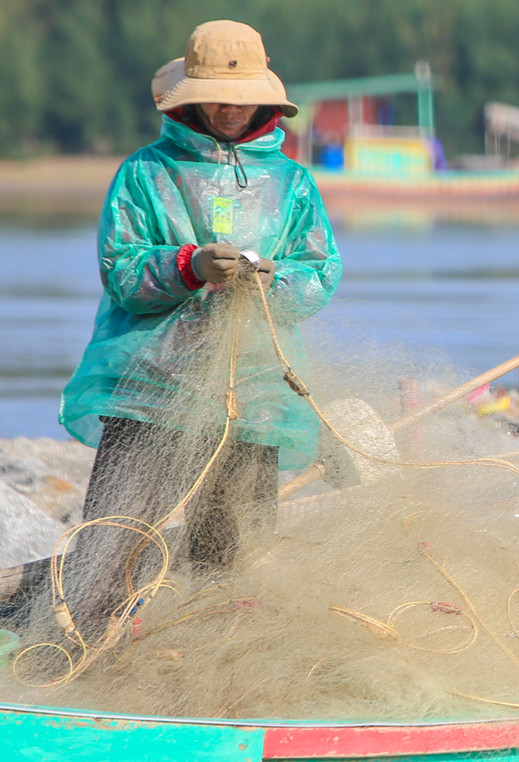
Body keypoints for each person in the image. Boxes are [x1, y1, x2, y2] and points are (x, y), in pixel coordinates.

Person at [58, 20, 341, 637]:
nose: (231, 108)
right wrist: (187, 266)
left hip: (253, 389)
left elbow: (320, 271)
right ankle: (73, 658)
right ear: (188, 96)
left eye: (242, 98)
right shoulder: (143, 174)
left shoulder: (292, 182)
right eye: (218, 95)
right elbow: (121, 273)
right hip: (150, 387)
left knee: (236, 556)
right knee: (112, 542)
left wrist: (273, 279)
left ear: (265, 98)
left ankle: (223, 671)